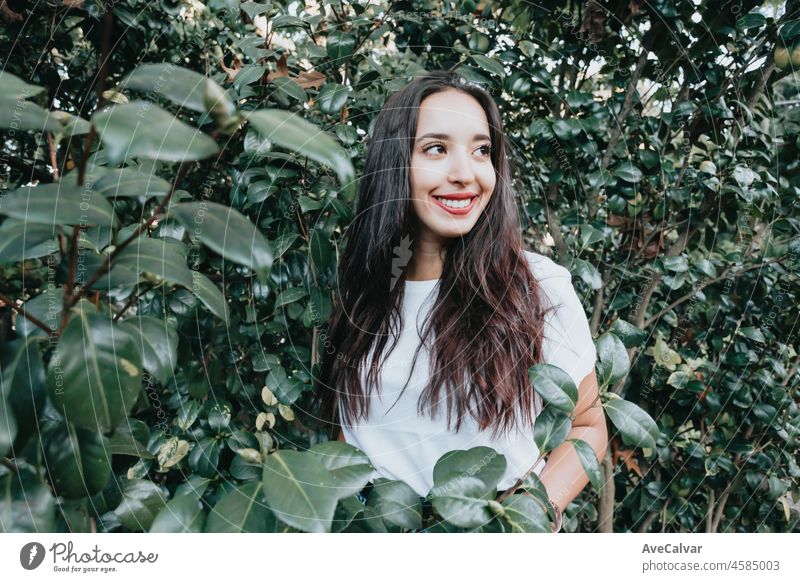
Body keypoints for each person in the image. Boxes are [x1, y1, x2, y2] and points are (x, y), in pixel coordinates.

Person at [314, 70, 608, 532]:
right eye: (436, 148)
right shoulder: (363, 291)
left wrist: (528, 519)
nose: (465, 174)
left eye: (481, 151)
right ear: (395, 165)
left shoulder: (538, 287)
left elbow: (588, 424)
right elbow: (348, 436)